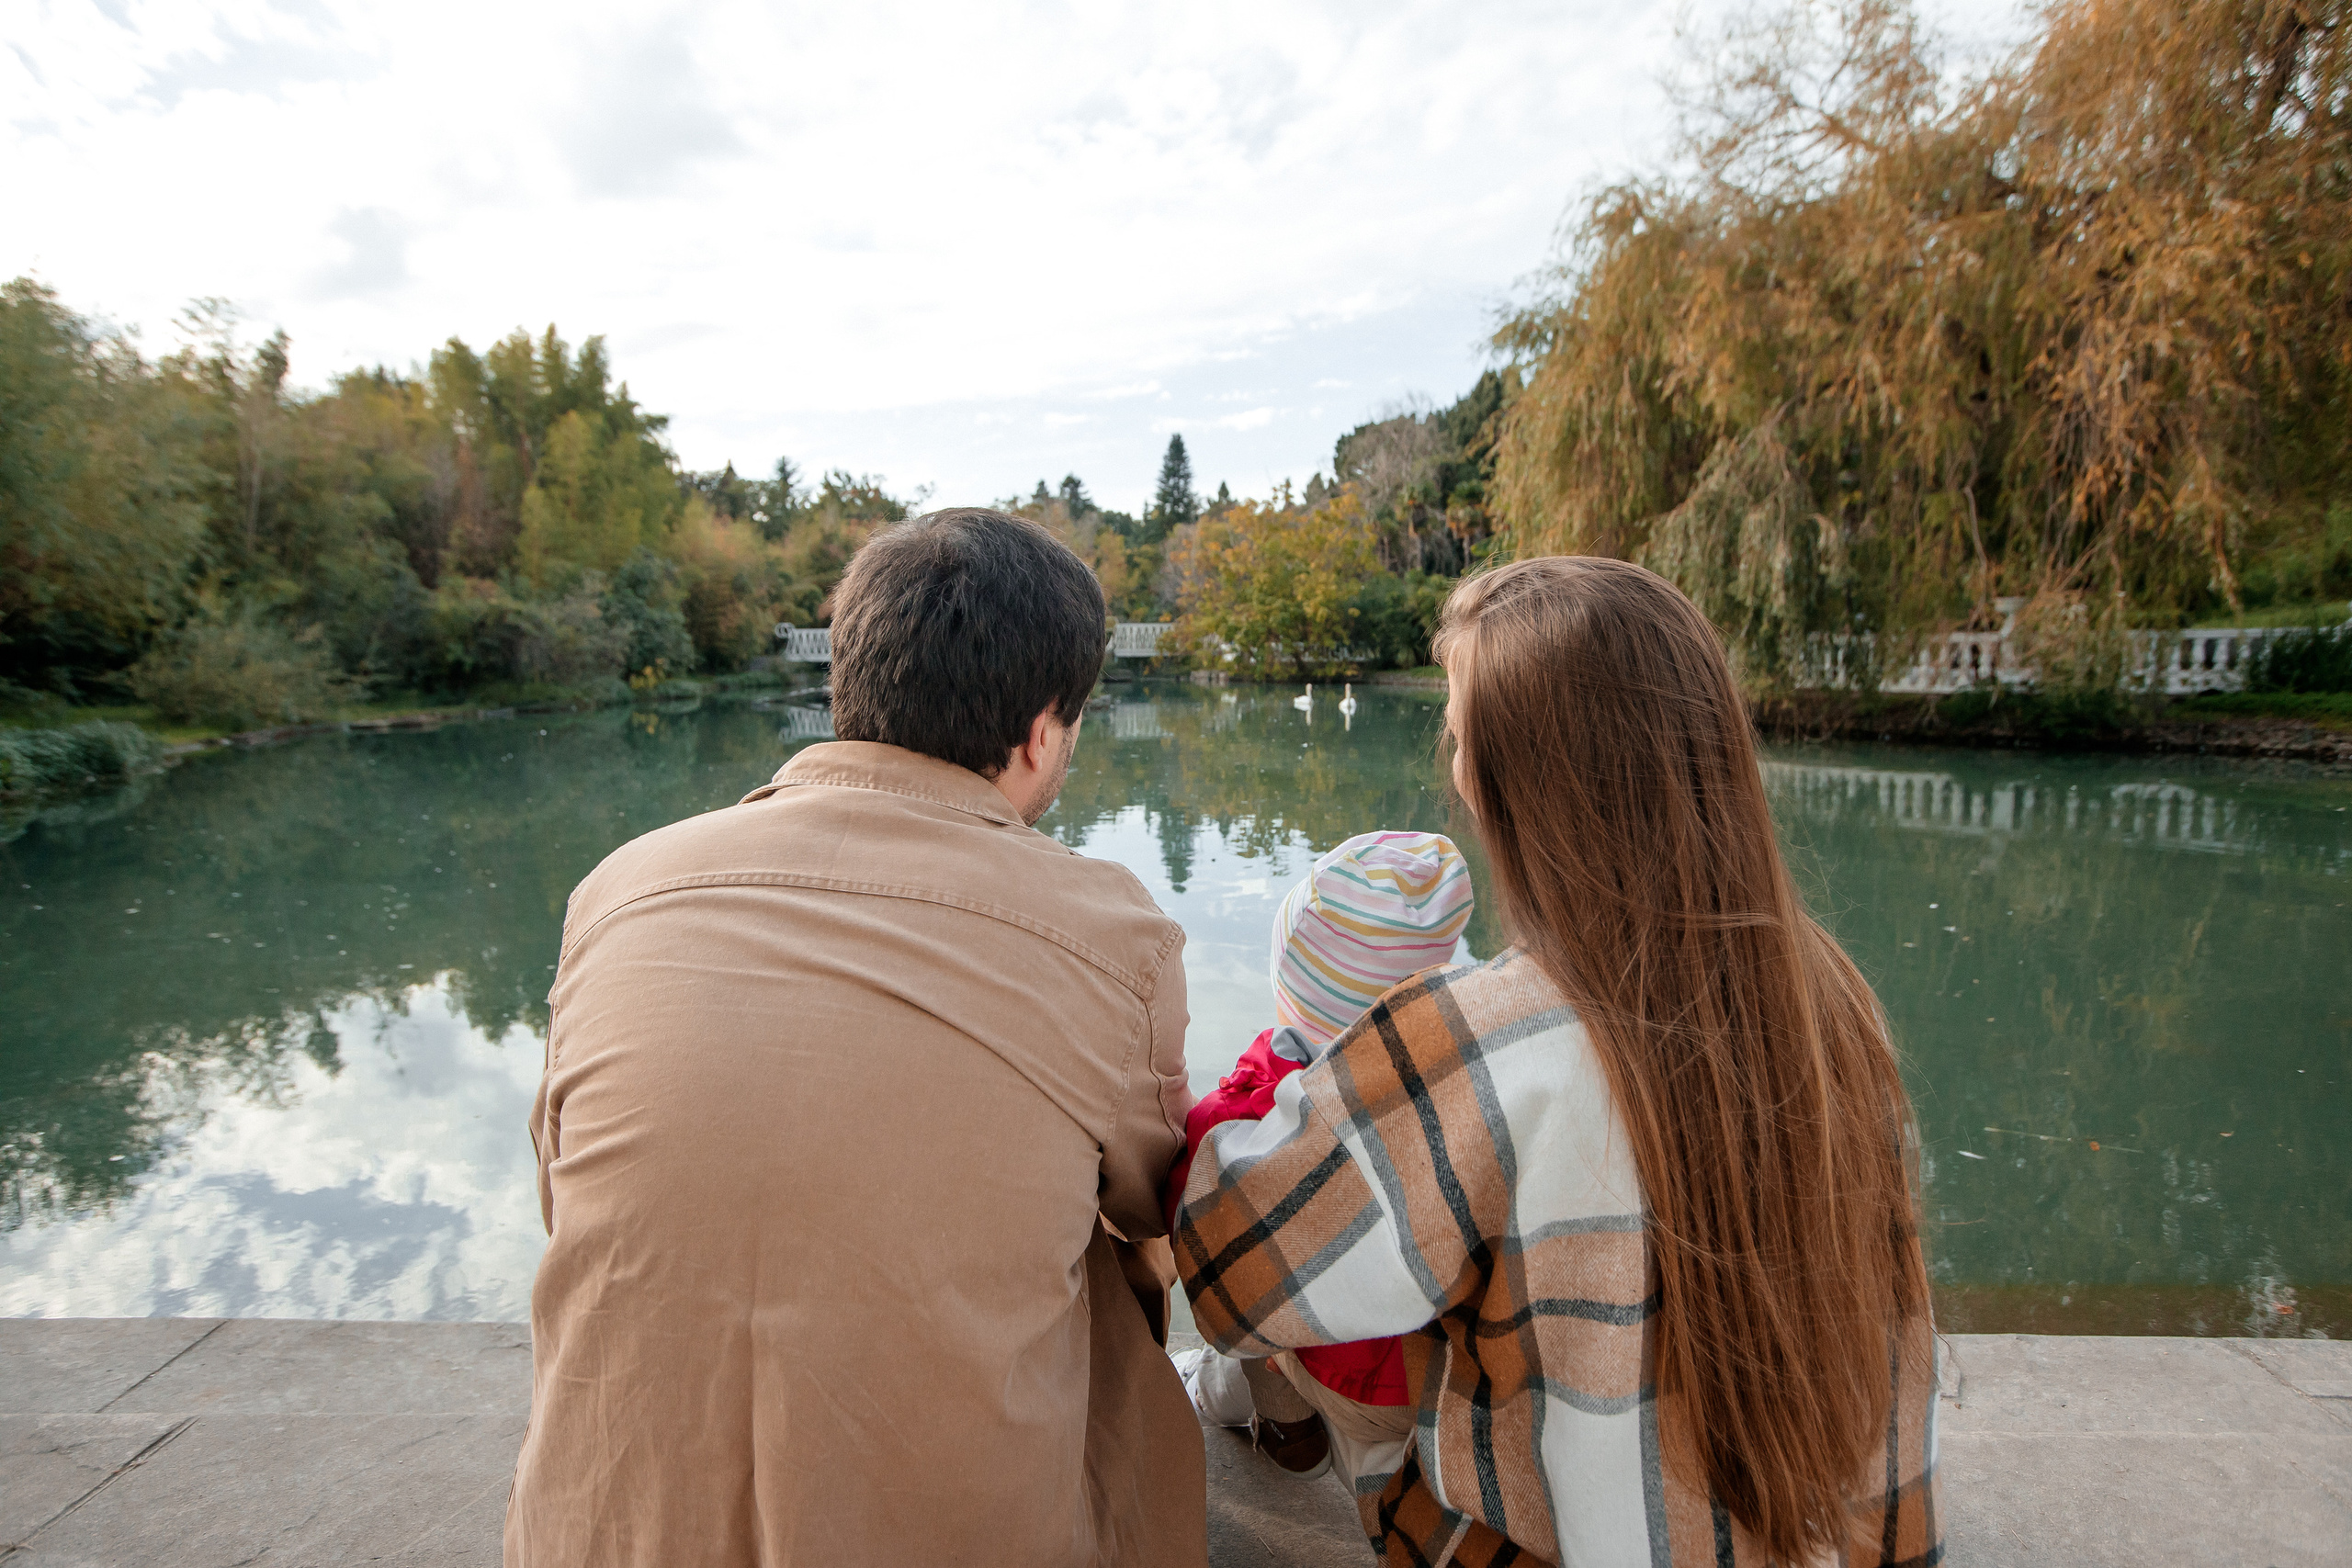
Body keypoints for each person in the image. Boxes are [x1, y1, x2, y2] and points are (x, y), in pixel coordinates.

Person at [1174, 557, 1941, 1567]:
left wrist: (1269, 1084)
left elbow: (1234, 1267)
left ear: (1506, 783)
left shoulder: (1489, 1034)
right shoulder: (1832, 1003)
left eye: (1458, 740)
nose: (1452, 768)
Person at [506, 509, 1204, 1567]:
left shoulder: (620, 887)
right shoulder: (1111, 934)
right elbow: (1160, 1207)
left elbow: (564, 1185)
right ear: (1041, 731)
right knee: (1112, 1239)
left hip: (597, 1533)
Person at [1165, 831, 1474, 1493]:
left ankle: (1282, 1424)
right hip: (1442, 1375)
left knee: (1236, 1309)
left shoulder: (1257, 1101)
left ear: (1290, 984)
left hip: (1337, 1376)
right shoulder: (1467, 1084)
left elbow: (1189, 1214)